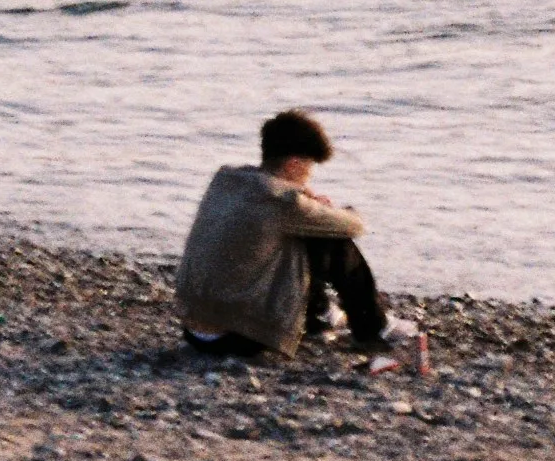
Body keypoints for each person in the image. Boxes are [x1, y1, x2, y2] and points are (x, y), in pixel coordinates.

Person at [175, 110, 414, 368]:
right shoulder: (282, 200)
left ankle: (318, 317)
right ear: (293, 165)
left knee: (292, 237)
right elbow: (354, 225)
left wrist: (307, 204)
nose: (309, 176)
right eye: (309, 168)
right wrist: (315, 203)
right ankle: (373, 327)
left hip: (194, 328)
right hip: (238, 336)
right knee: (332, 240)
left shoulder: (226, 179)